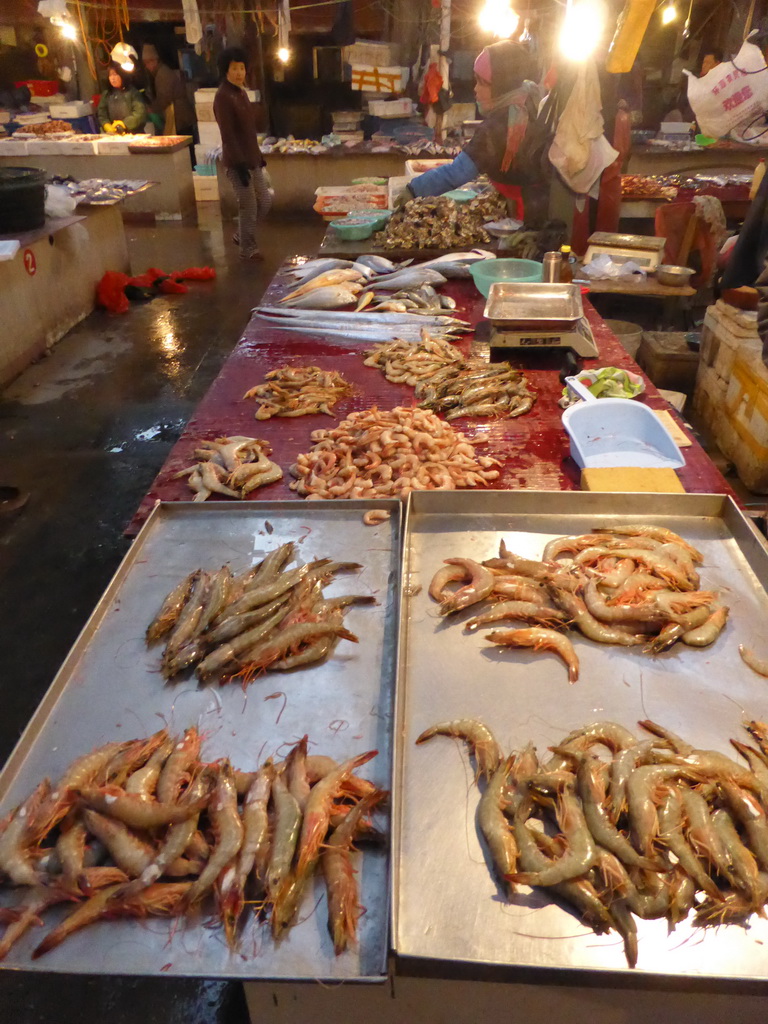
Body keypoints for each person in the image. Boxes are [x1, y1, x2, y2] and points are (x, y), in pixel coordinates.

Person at [406, 41, 543, 220]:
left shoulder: (500, 124)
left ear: (501, 84)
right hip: (534, 205)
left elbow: (457, 172)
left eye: (482, 82)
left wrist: (412, 190)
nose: (475, 89)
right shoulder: (528, 102)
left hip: (519, 215)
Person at [213, 47, 272, 262]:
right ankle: (248, 248)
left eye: (241, 68)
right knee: (249, 205)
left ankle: (241, 234)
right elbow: (228, 134)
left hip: (252, 159)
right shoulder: (223, 97)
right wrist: (239, 164)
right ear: (225, 70)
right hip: (236, 162)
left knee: (265, 201)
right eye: (234, 68)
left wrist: (258, 158)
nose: (239, 73)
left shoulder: (241, 93)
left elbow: (249, 132)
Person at [141, 43, 195, 136]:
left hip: (180, 117)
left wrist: (152, 109)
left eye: (147, 63)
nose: (147, 67)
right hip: (180, 117)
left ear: (154, 61)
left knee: (185, 144)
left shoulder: (162, 74)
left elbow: (164, 98)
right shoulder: (160, 72)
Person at [97, 63, 148, 134]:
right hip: (114, 135)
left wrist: (124, 124)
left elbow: (139, 114)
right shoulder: (107, 94)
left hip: (134, 134)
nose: (112, 78)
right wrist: (106, 124)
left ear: (122, 75)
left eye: (115, 74)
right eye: (110, 75)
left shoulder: (133, 92)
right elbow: (102, 113)